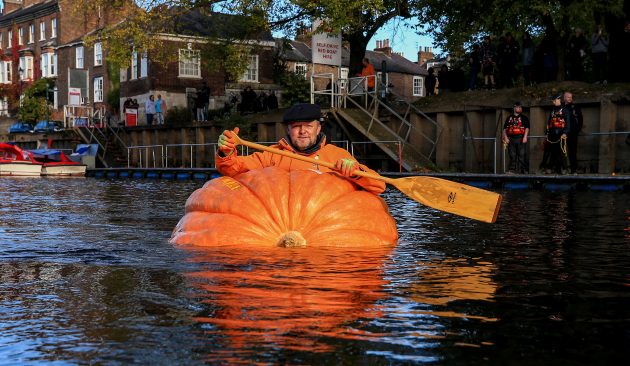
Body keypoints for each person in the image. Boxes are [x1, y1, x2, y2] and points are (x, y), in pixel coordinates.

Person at [216, 103, 385, 194]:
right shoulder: (272, 155)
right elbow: (232, 170)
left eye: (309, 126)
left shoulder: (338, 155)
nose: (303, 131)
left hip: (325, 229)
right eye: (297, 126)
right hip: (281, 226)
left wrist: (355, 171)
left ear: (319, 129)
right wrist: (226, 152)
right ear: (288, 130)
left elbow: (379, 186)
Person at [540, 93, 571, 174]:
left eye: (554, 101)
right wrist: (547, 133)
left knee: (562, 152)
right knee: (550, 152)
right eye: (552, 101)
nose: (553, 102)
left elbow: (568, 123)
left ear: (558, 100)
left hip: (561, 134)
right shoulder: (552, 111)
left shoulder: (565, 110)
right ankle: (549, 168)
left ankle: (564, 168)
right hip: (552, 135)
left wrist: (565, 133)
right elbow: (549, 122)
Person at [502, 102, 530, 174]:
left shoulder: (524, 118)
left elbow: (527, 128)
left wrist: (525, 137)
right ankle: (512, 170)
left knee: (522, 155)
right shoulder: (509, 118)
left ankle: (523, 170)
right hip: (511, 139)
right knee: (512, 155)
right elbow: (505, 129)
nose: (519, 108)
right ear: (514, 108)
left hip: (521, 138)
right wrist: (505, 137)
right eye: (518, 107)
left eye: (520, 107)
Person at [563, 91, 583, 174]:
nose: (570, 99)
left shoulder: (575, 107)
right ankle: (563, 169)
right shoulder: (561, 107)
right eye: (568, 97)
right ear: (564, 98)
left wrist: (577, 130)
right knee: (562, 152)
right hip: (563, 133)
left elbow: (580, 119)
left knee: (572, 152)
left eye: (571, 97)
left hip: (572, 133)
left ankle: (573, 169)